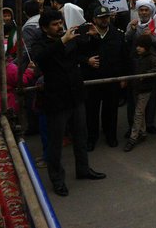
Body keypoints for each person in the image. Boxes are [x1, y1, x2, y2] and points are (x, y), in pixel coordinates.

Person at [31, 10, 106, 197]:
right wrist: (62, 41)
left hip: (76, 95)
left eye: (60, 23)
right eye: (55, 24)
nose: (59, 27)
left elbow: (81, 54)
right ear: (44, 27)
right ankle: (57, 179)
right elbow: (40, 58)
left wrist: (94, 39)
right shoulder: (41, 43)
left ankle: (83, 169)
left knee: (81, 135)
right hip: (57, 100)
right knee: (56, 143)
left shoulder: (69, 38)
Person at [79, 6, 126, 151]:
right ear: (94, 19)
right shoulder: (84, 34)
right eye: (101, 17)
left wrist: (123, 77)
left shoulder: (118, 34)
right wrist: (87, 60)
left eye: (106, 17)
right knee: (91, 111)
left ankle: (110, 135)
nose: (104, 20)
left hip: (111, 79)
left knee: (111, 109)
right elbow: (76, 54)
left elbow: (124, 56)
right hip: (92, 80)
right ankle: (91, 138)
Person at [124, 35, 156, 152]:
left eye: (141, 46)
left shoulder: (151, 57)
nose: (138, 48)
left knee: (138, 113)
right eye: (137, 46)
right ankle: (142, 132)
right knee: (139, 112)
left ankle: (133, 138)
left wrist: (146, 75)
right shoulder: (136, 56)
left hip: (145, 90)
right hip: (136, 88)